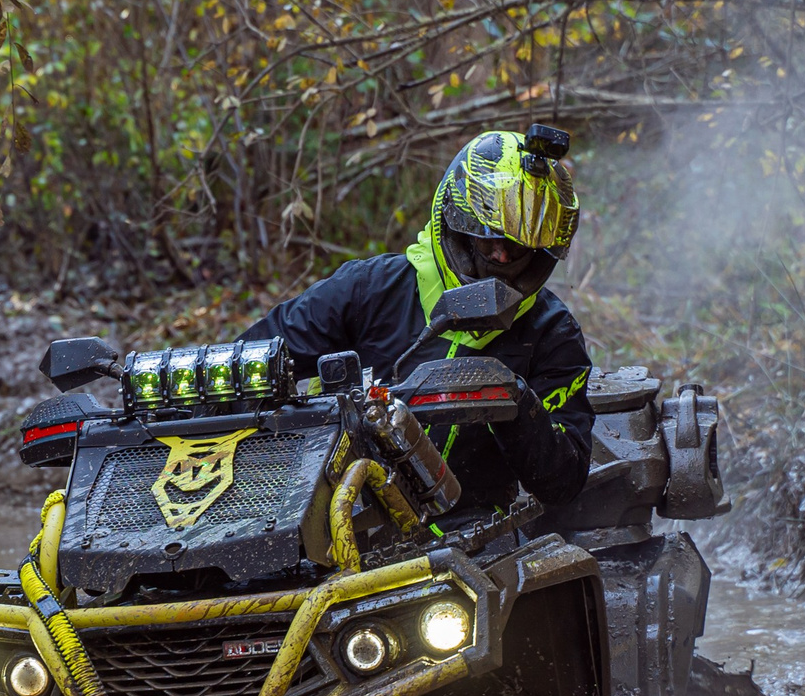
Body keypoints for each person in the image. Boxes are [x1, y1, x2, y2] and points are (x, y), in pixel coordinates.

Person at [242, 126, 593, 511]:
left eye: (517, 247)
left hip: (471, 542)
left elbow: (563, 483)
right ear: (459, 223)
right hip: (331, 525)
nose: (502, 256)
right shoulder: (366, 288)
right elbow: (251, 362)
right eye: (488, 237)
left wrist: (516, 403)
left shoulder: (553, 332)